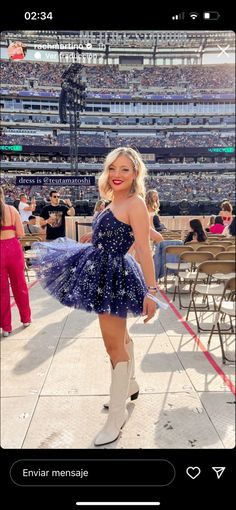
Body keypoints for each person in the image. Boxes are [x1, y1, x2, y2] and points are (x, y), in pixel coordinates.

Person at [33, 147, 166, 447]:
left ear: (135, 175)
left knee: (113, 345)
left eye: (125, 170)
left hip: (114, 277)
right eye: (113, 169)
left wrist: (152, 291)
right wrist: (95, 237)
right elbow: (118, 232)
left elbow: (143, 248)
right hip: (103, 272)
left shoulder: (135, 203)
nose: (117, 175)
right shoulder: (113, 201)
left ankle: (116, 417)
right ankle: (129, 385)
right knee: (122, 339)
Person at [0, 187, 31, 337]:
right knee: (20, 285)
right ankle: (25, 319)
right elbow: (20, 233)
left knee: (2, 291)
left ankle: (6, 327)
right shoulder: (12, 210)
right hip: (13, 248)